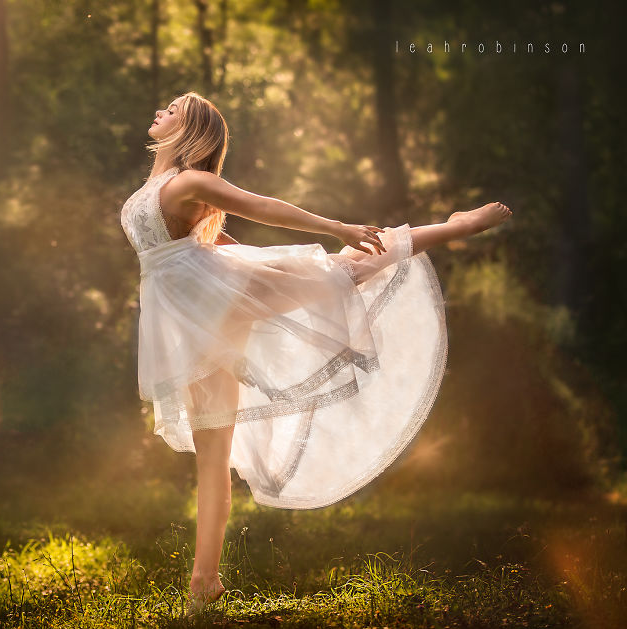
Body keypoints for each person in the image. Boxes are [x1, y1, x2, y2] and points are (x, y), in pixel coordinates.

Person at [120, 91, 512, 613]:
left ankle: (457, 226)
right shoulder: (158, 185)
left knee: (343, 268)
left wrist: (336, 226)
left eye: (171, 109)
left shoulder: (188, 180)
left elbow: (262, 206)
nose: (159, 111)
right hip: (194, 314)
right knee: (212, 459)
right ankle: (204, 585)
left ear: (189, 129)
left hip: (213, 299)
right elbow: (185, 246)